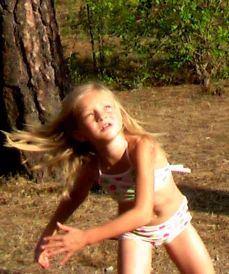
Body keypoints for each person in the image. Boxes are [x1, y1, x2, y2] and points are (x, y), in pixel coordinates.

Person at [4, 82, 215, 273]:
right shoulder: (92, 166)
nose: (101, 116)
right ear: (79, 134)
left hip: (174, 221)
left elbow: (143, 212)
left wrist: (85, 238)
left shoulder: (142, 148)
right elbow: (74, 196)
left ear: (120, 114)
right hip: (136, 232)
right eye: (90, 115)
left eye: (107, 108)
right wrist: (48, 234)